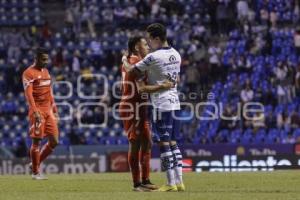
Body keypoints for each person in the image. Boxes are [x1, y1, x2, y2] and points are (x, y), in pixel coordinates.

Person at [122, 23, 185, 192]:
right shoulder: (176, 54)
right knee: (173, 142)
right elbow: (176, 80)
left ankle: (170, 183)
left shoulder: (153, 57)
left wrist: (123, 61)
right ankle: (179, 182)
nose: (149, 44)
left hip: (160, 104)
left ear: (157, 38)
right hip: (175, 102)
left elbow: (133, 72)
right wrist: (166, 84)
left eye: (149, 39)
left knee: (163, 144)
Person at [22, 48, 59, 180]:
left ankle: (34, 164)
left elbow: (50, 93)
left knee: (54, 141)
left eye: (47, 59)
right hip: (37, 110)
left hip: (48, 110)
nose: (46, 62)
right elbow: (29, 94)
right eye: (43, 59)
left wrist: (55, 110)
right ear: (36, 58)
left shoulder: (46, 72)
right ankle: (35, 173)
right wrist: (35, 111)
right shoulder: (28, 73)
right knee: (37, 141)